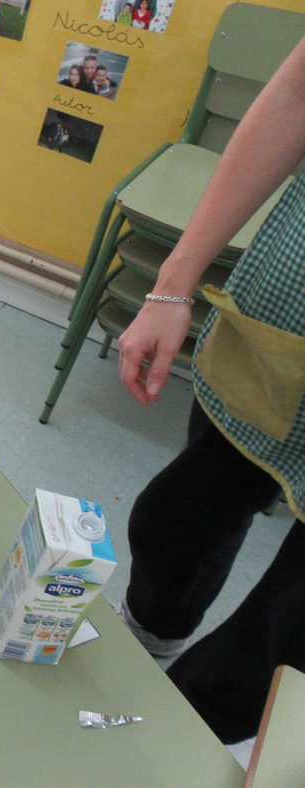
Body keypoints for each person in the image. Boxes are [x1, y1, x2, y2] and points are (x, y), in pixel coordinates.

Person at [114, 33, 305, 745]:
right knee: (175, 519)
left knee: (284, 640)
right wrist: (171, 287)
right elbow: (295, 91)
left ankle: (165, 746)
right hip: (286, 325)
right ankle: (146, 642)